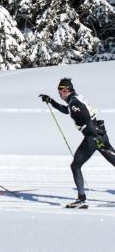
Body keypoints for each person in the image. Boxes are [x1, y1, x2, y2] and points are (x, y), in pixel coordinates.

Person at [40, 78, 115, 209]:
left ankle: (81, 199)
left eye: (60, 92)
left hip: (93, 137)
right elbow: (67, 110)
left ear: (66, 90)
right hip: (101, 134)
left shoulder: (74, 103)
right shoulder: (74, 100)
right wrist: (51, 101)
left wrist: (96, 138)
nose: (59, 94)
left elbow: (86, 117)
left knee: (75, 166)